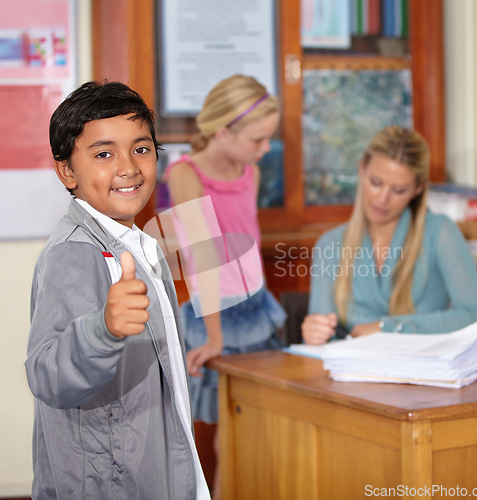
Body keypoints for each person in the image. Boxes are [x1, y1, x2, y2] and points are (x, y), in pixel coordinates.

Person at [25, 81, 210, 499]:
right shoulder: (74, 254)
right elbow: (49, 373)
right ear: (67, 171)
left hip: (155, 469)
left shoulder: (140, 245)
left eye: (141, 149)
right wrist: (102, 330)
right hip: (108, 485)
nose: (128, 167)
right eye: (104, 154)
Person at [164, 74, 286, 498]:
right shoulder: (185, 175)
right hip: (215, 317)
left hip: (257, 312)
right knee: (229, 438)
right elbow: (207, 257)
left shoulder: (248, 170)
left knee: (265, 432)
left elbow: (246, 242)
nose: (265, 149)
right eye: (258, 139)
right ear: (222, 132)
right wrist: (214, 337)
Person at [302, 125, 477, 344]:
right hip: (352, 373)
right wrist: (315, 332)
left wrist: (388, 328)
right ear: (362, 169)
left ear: (418, 189)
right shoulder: (329, 245)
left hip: (424, 373)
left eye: (399, 190)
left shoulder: (440, 233)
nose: (382, 199)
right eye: (376, 183)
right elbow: (322, 331)